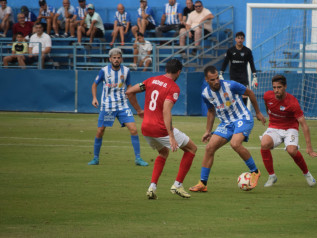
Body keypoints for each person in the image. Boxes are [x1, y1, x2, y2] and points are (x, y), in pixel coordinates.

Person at [126, 59, 197, 200]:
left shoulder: (151, 80)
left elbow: (129, 92)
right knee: (192, 149)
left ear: (166, 69)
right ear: (178, 72)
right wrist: (170, 135)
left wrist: (139, 110)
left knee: (163, 152)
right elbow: (166, 110)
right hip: (160, 129)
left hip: (146, 128)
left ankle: (152, 187)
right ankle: (177, 184)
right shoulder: (174, 88)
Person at [189, 65, 266, 192]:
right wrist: (208, 131)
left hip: (242, 118)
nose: (216, 81)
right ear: (206, 80)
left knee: (235, 144)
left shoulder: (231, 85)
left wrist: (257, 112)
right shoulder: (206, 94)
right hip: (226, 123)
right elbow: (211, 110)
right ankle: (202, 183)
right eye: (212, 80)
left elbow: (250, 93)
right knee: (209, 148)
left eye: (217, 78)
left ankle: (255, 172)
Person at [87, 48, 148, 167]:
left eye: (118, 57)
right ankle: (95, 158)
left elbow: (130, 88)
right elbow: (94, 85)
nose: (116, 60)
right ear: (110, 59)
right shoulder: (104, 71)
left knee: (134, 130)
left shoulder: (126, 71)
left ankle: (138, 158)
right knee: (100, 131)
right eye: (114, 58)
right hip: (107, 106)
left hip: (122, 105)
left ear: (121, 59)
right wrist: (94, 98)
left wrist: (136, 105)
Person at [260, 74, 317, 188]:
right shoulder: (267, 96)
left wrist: (309, 146)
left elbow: (304, 125)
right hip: (274, 127)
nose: (276, 90)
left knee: (292, 151)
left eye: (279, 87)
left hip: (290, 128)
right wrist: (266, 116)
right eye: (274, 87)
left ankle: (307, 174)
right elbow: (268, 106)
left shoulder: (293, 103)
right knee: (264, 143)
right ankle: (272, 176)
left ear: (285, 86)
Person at [220, 31, 258, 105]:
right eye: (238, 38)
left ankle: (244, 111)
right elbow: (225, 62)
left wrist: (254, 76)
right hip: (233, 77)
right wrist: (221, 73)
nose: (240, 40)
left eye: (241, 38)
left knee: (245, 95)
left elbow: (252, 64)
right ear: (235, 39)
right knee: (233, 96)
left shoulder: (247, 51)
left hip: (243, 77)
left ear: (243, 40)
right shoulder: (230, 51)